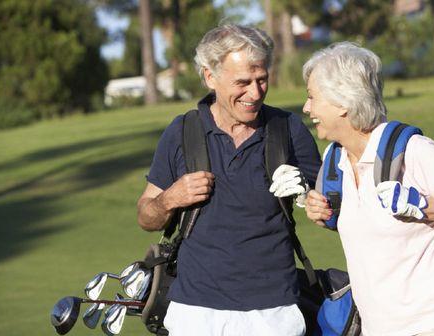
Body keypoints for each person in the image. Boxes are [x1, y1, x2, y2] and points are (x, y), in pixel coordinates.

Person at [301, 42, 434, 336]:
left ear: (342, 102)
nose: (306, 108)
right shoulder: (335, 158)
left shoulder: (413, 150)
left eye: (312, 97)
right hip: (378, 326)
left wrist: (420, 205)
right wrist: (320, 211)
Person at [136, 24, 321, 336]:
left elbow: (333, 208)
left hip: (274, 312)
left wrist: (308, 193)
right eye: (243, 82)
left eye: (262, 80)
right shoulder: (182, 132)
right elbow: (145, 217)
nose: (256, 92)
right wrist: (171, 198)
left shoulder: (287, 128)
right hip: (195, 312)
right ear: (210, 77)